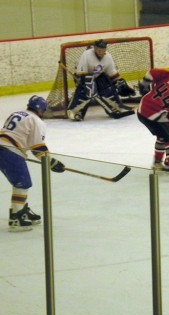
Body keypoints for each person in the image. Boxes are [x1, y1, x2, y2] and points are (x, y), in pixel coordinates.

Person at [0, 95, 65, 232]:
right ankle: (16, 218)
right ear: (40, 110)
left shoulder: (17, 113)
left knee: (19, 182)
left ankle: (21, 208)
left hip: (4, 148)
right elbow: (37, 147)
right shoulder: (36, 121)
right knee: (23, 183)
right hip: (11, 151)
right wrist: (51, 162)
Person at [136, 68, 169, 179]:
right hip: (153, 115)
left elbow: (152, 72)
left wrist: (145, 83)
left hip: (141, 109)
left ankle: (157, 163)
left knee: (162, 136)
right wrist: (168, 115)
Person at [67, 39, 135, 121]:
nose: (100, 51)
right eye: (98, 49)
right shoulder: (86, 55)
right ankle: (75, 111)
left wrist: (120, 83)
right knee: (87, 89)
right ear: (94, 48)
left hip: (98, 77)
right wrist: (90, 85)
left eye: (102, 50)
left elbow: (112, 73)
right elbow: (81, 74)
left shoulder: (108, 57)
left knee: (107, 87)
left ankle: (114, 107)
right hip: (83, 77)